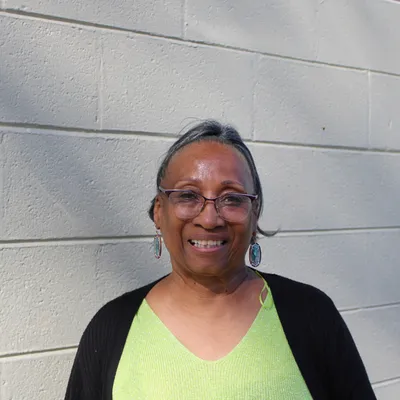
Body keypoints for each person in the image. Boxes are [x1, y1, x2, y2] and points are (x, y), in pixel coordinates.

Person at [65, 120, 376, 399]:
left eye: (232, 199)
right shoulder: (111, 329)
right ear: (159, 211)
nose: (209, 218)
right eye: (188, 195)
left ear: (255, 214)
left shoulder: (312, 316)